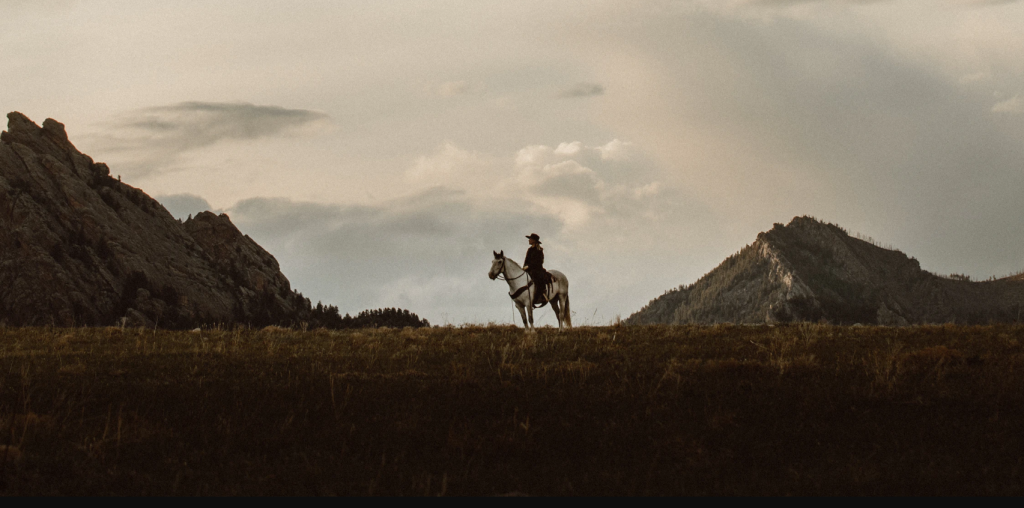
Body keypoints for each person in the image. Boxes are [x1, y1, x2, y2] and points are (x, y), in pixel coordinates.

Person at [523, 233, 549, 306]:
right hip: (529, 269)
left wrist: (529, 266)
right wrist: (524, 267)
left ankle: (543, 295)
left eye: (530, 239)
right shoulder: (529, 249)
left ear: (534, 241)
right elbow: (526, 260)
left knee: (538, 278)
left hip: (537, 269)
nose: (529, 240)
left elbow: (539, 261)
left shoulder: (539, 250)